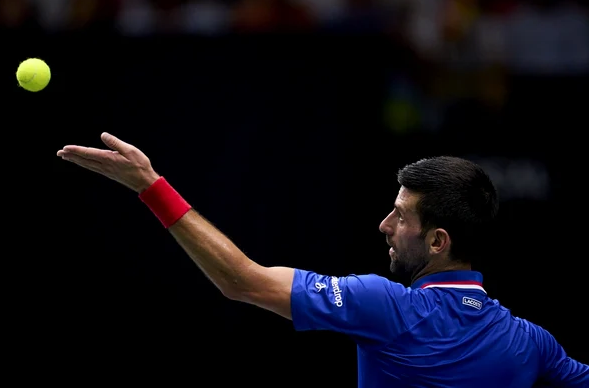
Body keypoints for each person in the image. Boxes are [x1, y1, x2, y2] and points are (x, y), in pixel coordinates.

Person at [57, 132, 588, 387]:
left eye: (401, 216)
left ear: (437, 242)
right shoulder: (531, 344)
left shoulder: (388, 307)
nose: (384, 225)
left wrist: (149, 186)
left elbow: (241, 280)